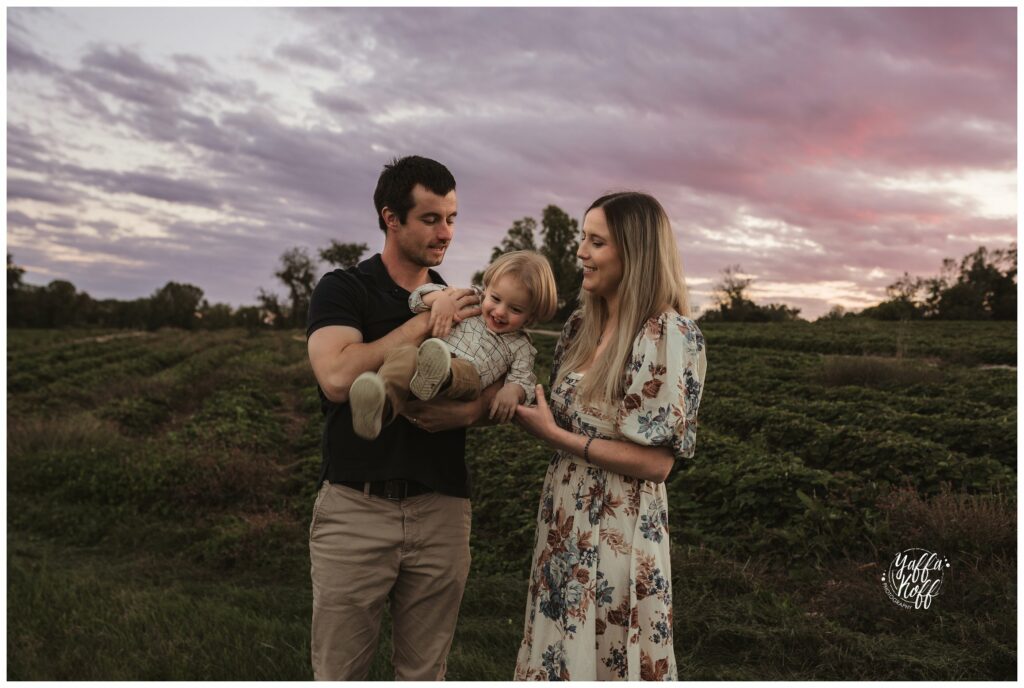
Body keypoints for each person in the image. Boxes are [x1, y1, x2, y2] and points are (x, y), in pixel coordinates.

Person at [305, 155, 500, 681]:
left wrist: (472, 410)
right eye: (431, 219)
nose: (446, 232)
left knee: (424, 675)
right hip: (356, 508)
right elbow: (338, 379)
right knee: (339, 673)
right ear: (392, 218)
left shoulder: (462, 302)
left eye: (453, 218)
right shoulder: (344, 289)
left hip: (441, 509)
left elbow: (492, 386)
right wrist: (422, 327)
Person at [512, 191, 707, 681]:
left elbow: (658, 463)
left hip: (620, 527)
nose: (581, 251)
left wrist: (556, 438)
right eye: (583, 238)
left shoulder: (667, 334)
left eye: (595, 242)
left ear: (634, 252)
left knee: (611, 651)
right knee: (560, 649)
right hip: (564, 517)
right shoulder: (581, 326)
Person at [348, 250, 559, 440]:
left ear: (530, 318)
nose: (500, 311)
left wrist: (513, 390)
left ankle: (440, 374)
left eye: (515, 309)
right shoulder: (467, 299)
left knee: (461, 370)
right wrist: (440, 300)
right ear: (486, 289)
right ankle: (378, 407)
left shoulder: (521, 345)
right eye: (495, 298)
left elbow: (524, 379)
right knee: (405, 355)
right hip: (425, 359)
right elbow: (417, 298)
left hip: (466, 377)